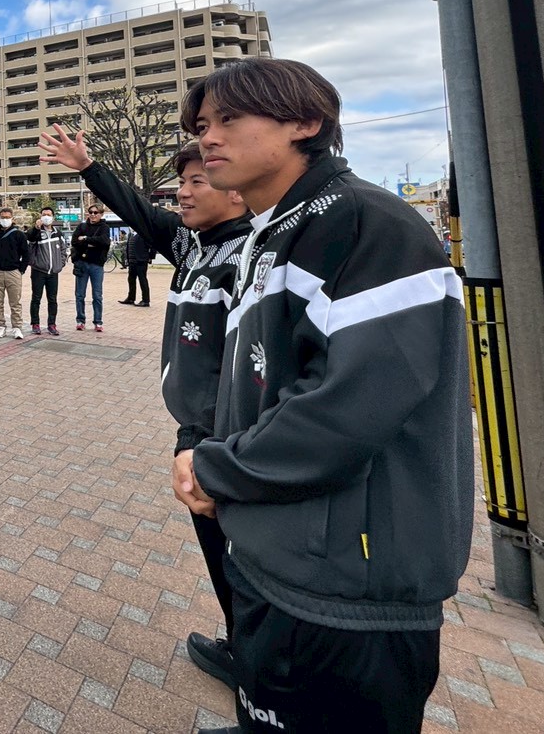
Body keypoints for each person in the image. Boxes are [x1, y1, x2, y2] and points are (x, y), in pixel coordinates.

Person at [171, 58, 471, 734]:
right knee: (269, 709)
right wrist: (205, 445)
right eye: (202, 124)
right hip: (279, 551)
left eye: (228, 119)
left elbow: (348, 405)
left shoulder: (363, 221)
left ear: (305, 122)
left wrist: (216, 467)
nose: (208, 137)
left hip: (348, 579)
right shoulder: (277, 229)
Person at [39, 128, 250, 692]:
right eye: (181, 182)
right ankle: (243, 647)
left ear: (236, 187)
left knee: (243, 556)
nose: (182, 193)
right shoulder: (193, 244)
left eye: (197, 181)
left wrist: (200, 436)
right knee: (221, 552)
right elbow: (137, 209)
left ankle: (260, 670)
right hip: (199, 434)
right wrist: (88, 167)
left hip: (229, 437)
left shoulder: (252, 253)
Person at [0, 207, 29, 339]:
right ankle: (0, 326)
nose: (5, 219)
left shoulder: (19, 235)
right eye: (2, 217)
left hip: (13, 272)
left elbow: (26, 254)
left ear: (12, 218)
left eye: (7, 217)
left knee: (15, 302)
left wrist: (21, 270)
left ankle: (17, 327)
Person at [25, 205, 66, 335]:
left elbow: (63, 250)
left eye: (49, 215)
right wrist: (36, 228)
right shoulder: (36, 232)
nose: (46, 217)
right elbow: (30, 239)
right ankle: (35, 324)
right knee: (36, 298)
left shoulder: (58, 233)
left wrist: (60, 264)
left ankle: (52, 324)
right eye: (44, 215)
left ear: (53, 217)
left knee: (52, 299)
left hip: (53, 272)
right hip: (39, 271)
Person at [70, 204, 110, 332]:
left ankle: (98, 322)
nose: (93, 215)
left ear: (101, 214)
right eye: (90, 212)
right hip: (82, 264)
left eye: (96, 212)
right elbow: (74, 242)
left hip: (97, 265)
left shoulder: (104, 227)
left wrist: (86, 239)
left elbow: (105, 242)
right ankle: (80, 320)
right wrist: (92, 243)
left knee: (97, 295)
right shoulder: (82, 226)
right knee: (80, 294)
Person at [119, 229, 156, 307]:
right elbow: (128, 246)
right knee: (131, 279)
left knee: (142, 280)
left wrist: (150, 257)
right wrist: (127, 259)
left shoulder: (144, 233)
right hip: (132, 261)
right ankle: (131, 298)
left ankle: (145, 300)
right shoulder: (130, 234)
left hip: (141, 261)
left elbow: (153, 245)